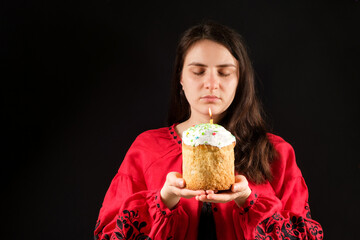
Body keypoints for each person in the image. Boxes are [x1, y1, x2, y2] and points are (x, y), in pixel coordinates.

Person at [94, 20, 323, 240]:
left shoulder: (276, 153)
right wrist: (163, 199)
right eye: (198, 71)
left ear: (240, 81)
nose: (211, 83)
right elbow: (109, 234)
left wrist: (248, 201)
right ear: (180, 79)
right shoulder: (147, 150)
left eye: (224, 73)